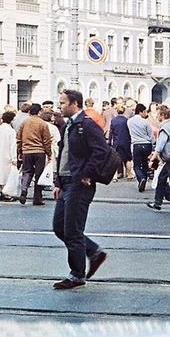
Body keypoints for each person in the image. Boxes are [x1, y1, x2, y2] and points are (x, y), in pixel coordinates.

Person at [52, 89, 109, 289]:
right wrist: (58, 182)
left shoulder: (86, 124)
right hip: (66, 183)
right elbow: (63, 154)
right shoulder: (68, 125)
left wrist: (87, 173)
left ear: (74, 103)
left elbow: (101, 150)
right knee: (59, 226)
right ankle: (94, 252)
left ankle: (77, 274)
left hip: (79, 184)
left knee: (73, 230)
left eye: (62, 103)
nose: (60, 106)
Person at [17, 104, 52, 206]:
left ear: (29, 112)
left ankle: (24, 190)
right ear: (40, 111)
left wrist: (20, 151)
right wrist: (49, 153)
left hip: (27, 151)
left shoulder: (24, 123)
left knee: (27, 172)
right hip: (39, 152)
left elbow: (19, 138)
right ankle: (37, 198)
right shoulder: (43, 124)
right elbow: (47, 140)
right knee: (39, 174)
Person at [127, 103, 155, 193]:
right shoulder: (145, 122)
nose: (146, 113)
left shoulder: (129, 121)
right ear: (141, 112)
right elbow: (151, 136)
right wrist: (153, 144)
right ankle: (144, 179)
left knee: (137, 165)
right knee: (145, 164)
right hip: (147, 144)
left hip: (136, 144)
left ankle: (141, 178)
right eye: (145, 111)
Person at [109, 105, 133, 180]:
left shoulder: (113, 121)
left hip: (117, 141)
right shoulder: (127, 120)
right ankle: (129, 174)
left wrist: (110, 141)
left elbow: (111, 132)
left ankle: (116, 175)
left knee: (116, 159)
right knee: (127, 159)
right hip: (126, 141)